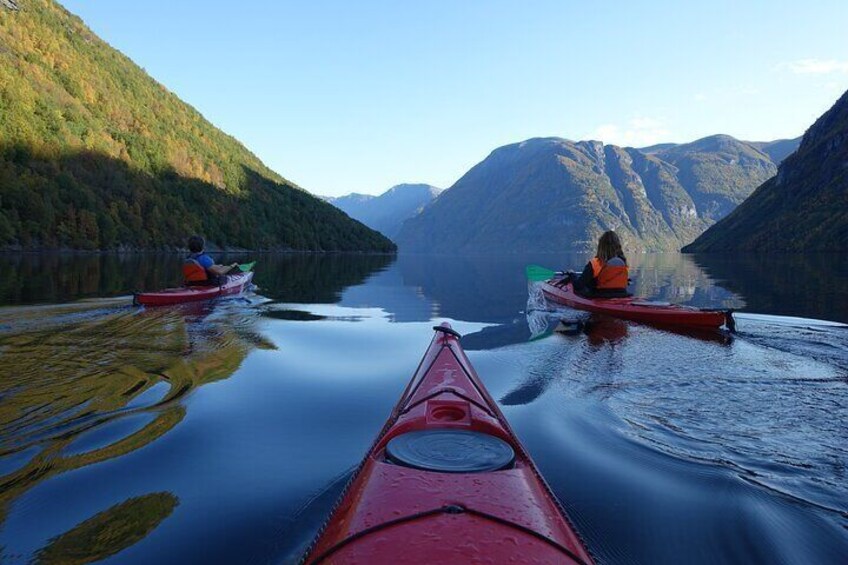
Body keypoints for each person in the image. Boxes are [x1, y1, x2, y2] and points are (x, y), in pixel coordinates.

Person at [560, 230, 630, 298]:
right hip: (622, 294)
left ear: (601, 247)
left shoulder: (595, 264)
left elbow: (578, 285)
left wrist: (572, 275)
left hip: (600, 296)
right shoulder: (623, 263)